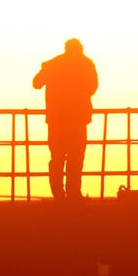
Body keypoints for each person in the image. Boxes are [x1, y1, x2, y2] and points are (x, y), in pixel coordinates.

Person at [32, 38, 98, 200]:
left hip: (56, 119)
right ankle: (74, 193)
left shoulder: (54, 64)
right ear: (80, 48)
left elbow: (36, 83)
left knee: (57, 158)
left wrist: (47, 68)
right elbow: (93, 86)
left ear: (66, 49)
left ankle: (59, 194)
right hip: (78, 119)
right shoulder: (86, 63)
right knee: (76, 158)